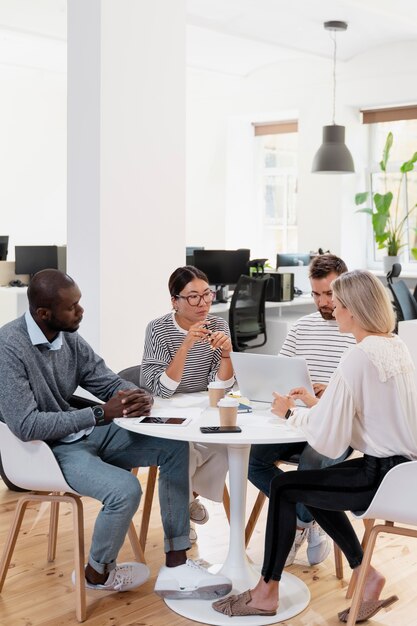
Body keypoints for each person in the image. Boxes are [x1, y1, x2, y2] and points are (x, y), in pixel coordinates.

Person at [0, 269, 232, 599]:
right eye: (73, 307)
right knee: (125, 490)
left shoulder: (69, 338)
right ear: (43, 313)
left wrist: (136, 394)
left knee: (174, 446)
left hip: (87, 433)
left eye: (79, 303)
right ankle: (97, 572)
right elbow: (26, 426)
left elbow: (106, 381)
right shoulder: (9, 347)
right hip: (48, 452)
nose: (81, 312)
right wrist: (98, 413)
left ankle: (177, 562)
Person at [212, 269, 417, 620]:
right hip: (403, 474)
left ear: (353, 309)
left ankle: (265, 592)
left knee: (284, 486)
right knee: (310, 489)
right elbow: (362, 417)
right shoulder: (395, 346)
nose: (332, 311)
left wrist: (288, 413)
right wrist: (315, 403)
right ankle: (366, 575)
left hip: (378, 478)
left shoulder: (358, 356)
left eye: (337, 305)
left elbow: (328, 438)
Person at [248, 254, 356, 566]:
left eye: (329, 294)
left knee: (313, 460)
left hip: (335, 428)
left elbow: (357, 398)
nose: (323, 302)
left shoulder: (356, 329)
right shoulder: (300, 328)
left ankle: (297, 525)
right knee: (254, 461)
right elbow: (278, 373)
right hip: (297, 420)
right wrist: (289, 395)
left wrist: (326, 394)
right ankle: (309, 517)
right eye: (316, 294)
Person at [141, 265, 234, 539]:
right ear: (175, 301)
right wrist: (185, 346)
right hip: (166, 408)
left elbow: (219, 386)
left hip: (201, 408)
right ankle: (182, 511)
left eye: (207, 294)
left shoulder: (218, 325)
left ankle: (185, 499)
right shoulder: (158, 329)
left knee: (227, 447)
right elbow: (160, 388)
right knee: (185, 451)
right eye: (193, 297)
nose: (203, 303)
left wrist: (227, 355)